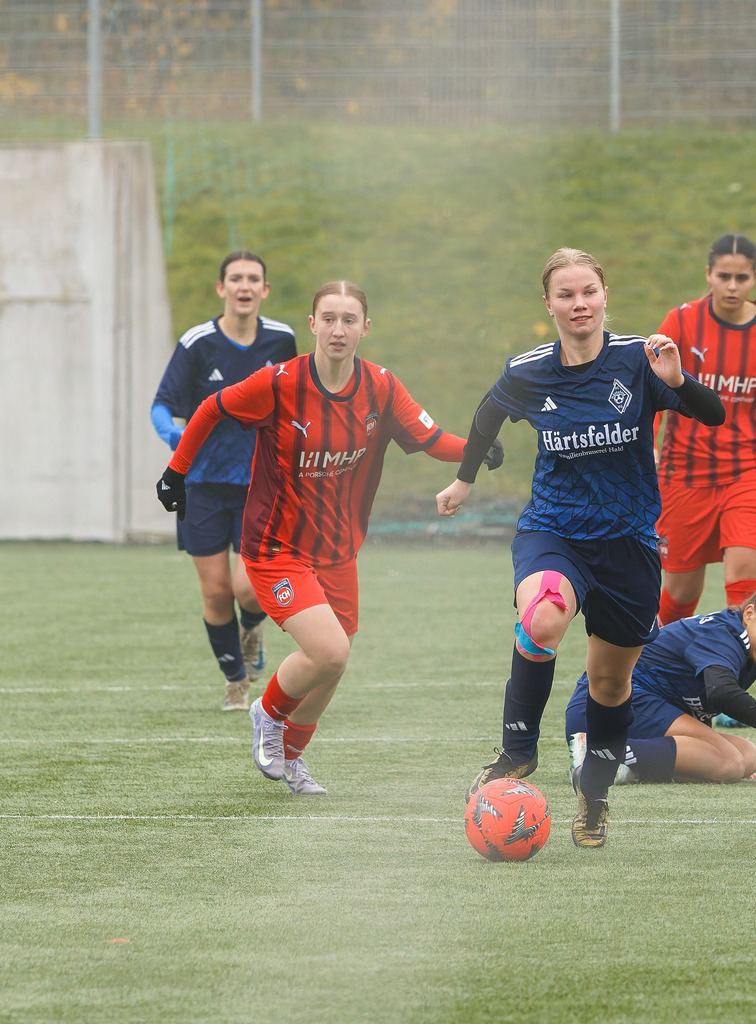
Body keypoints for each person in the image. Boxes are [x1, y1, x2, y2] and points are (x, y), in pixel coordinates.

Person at [158, 280, 501, 795]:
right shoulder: (278, 382)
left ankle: (292, 759)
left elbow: (430, 438)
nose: (339, 329)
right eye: (329, 318)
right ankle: (266, 713)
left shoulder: (381, 386)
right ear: (312, 324)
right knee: (330, 652)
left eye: (350, 319)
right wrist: (175, 471)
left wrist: (477, 448)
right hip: (275, 547)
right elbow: (210, 409)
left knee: (332, 664)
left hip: (338, 550)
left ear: (366, 327)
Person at [436, 247, 725, 848]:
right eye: (565, 295)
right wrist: (465, 476)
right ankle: (518, 751)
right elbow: (488, 414)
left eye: (588, 291)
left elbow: (714, 414)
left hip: (629, 545)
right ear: (549, 305)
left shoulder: (640, 358)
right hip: (555, 530)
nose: (579, 304)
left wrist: (677, 381)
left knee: (611, 687)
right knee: (543, 616)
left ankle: (593, 800)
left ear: (604, 296)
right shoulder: (529, 370)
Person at [151, 251, 297, 712]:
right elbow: (162, 404)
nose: (244, 286)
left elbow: (296, 403)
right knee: (215, 590)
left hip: (261, 483)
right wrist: (177, 436)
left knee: (248, 587)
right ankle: (235, 680)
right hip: (203, 485)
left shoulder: (281, 340)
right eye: (235, 278)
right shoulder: (197, 342)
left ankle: (251, 629)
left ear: (264, 290)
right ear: (222, 288)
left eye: (254, 278)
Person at [653, 233, 756, 625]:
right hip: (684, 475)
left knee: (744, 588)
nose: (732, 286)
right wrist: (648, 440)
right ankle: (652, 672)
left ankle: (725, 683)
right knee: (680, 594)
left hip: (751, 472)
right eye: (724, 276)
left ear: (754, 279)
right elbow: (651, 385)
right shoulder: (681, 321)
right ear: (708, 274)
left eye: (741, 278)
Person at [565, 578, 756, 783]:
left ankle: (630, 766)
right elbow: (721, 693)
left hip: (638, 708)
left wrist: (708, 763)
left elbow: (692, 701)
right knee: (729, 762)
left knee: (747, 756)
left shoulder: (745, 641)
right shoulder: (723, 635)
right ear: (750, 613)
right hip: (608, 703)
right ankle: (598, 754)